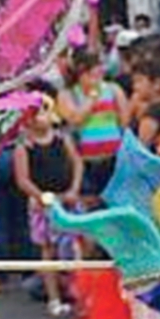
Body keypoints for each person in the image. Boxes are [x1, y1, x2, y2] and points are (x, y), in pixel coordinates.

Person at [13, 88, 82, 317]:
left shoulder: (63, 138)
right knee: (48, 250)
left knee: (76, 245)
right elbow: (22, 179)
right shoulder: (24, 146)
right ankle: (54, 297)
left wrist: (73, 189)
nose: (39, 117)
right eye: (33, 114)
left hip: (68, 199)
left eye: (42, 112)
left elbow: (77, 163)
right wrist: (40, 197)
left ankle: (78, 293)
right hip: (43, 205)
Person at [57, 49, 128, 205]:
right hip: (84, 163)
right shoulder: (67, 95)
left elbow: (124, 122)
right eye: (91, 73)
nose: (96, 77)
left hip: (112, 160)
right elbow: (74, 119)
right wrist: (92, 98)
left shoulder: (113, 90)